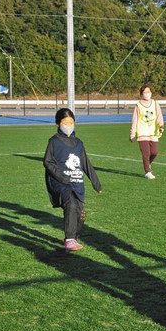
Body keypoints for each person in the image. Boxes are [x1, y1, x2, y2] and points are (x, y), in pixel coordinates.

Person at [43, 108, 102, 252]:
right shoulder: (54, 141)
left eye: (71, 122)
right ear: (58, 124)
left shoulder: (78, 143)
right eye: (65, 122)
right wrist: (62, 177)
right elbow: (47, 162)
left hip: (77, 182)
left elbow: (86, 163)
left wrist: (96, 183)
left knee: (80, 214)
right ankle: (69, 239)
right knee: (71, 202)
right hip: (60, 182)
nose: (68, 125)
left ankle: (72, 238)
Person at [130, 85, 164, 179]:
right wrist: (132, 133)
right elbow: (135, 120)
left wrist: (161, 125)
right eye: (145, 92)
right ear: (141, 94)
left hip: (153, 132)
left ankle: (148, 164)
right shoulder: (138, 105)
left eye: (148, 92)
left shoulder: (155, 103)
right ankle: (147, 172)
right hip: (142, 133)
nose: (147, 94)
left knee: (154, 152)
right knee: (146, 153)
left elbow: (159, 116)